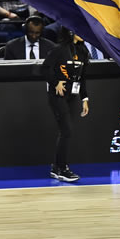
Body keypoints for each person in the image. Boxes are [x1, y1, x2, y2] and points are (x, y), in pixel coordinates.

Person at [41, 27, 91, 183]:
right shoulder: (59, 49)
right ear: (70, 32)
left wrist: (85, 99)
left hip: (73, 95)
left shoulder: (83, 51)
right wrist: (55, 82)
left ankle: (56, 167)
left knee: (65, 132)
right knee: (66, 130)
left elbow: (82, 78)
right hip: (58, 95)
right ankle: (62, 168)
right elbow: (45, 68)